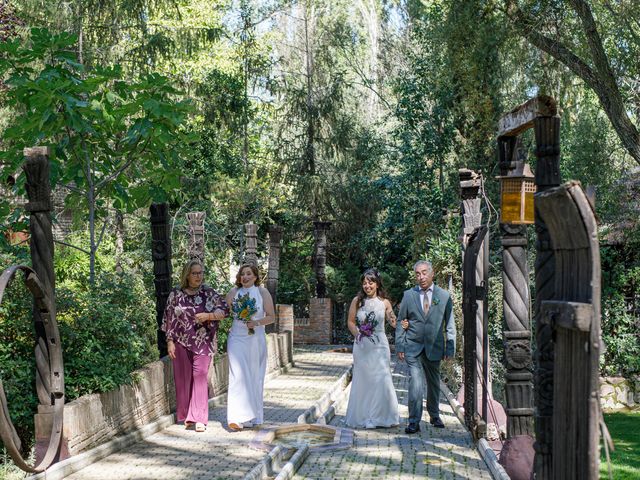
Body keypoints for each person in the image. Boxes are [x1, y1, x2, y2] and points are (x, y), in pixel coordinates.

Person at [162, 260, 228, 433]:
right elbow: (169, 319)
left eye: (200, 272)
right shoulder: (175, 294)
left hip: (203, 341)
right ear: (187, 275)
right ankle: (185, 415)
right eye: (195, 273)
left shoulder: (209, 293)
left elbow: (224, 310)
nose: (198, 276)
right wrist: (169, 342)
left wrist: (209, 315)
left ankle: (199, 418)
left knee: (200, 376)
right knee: (183, 379)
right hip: (181, 341)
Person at [395, 260, 456, 434]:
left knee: (434, 383)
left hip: (435, 347)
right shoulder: (408, 295)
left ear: (432, 273)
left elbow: (449, 324)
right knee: (416, 383)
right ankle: (414, 421)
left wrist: (450, 348)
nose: (421, 277)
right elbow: (401, 321)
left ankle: (434, 414)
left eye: (424, 273)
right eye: (417, 274)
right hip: (413, 347)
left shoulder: (443, 296)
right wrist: (400, 344)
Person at [344, 268, 400, 429]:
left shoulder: (385, 302)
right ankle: (363, 416)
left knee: (381, 379)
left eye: (371, 282)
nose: (367, 286)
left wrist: (397, 320)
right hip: (362, 346)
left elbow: (392, 321)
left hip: (380, 346)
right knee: (363, 379)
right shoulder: (357, 301)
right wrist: (358, 335)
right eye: (364, 283)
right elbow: (351, 322)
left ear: (377, 284)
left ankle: (380, 417)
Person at [226, 263, 275, 431]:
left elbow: (271, 317)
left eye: (248, 274)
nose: (245, 277)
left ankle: (253, 416)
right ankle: (235, 418)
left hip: (255, 339)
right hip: (236, 338)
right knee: (237, 375)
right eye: (242, 274)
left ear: (255, 277)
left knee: (254, 376)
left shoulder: (262, 292)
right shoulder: (234, 293)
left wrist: (256, 323)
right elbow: (224, 312)